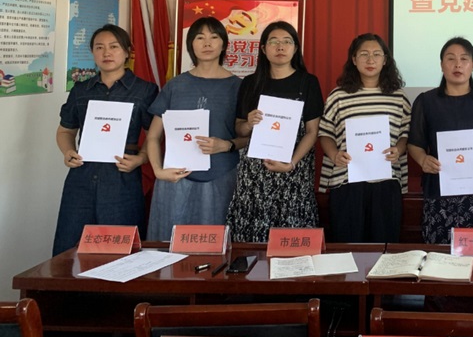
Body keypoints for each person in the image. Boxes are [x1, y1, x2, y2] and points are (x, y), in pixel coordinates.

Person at [52, 25, 158, 255]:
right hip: (82, 177)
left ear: (127, 52)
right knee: (70, 247)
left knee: (121, 249)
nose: (106, 53)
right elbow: (65, 131)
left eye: (114, 47)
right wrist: (68, 151)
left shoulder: (145, 90)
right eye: (99, 47)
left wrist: (141, 159)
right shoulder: (81, 90)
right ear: (92, 53)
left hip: (122, 178)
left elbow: (155, 135)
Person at [146, 17, 243, 241]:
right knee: (170, 247)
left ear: (224, 44)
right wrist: (158, 171)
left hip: (221, 178)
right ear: (191, 44)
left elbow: (248, 137)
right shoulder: (175, 85)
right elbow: (153, 136)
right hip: (175, 179)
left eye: (214, 37)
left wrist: (226, 145)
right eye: (200, 37)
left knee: (215, 246)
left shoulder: (238, 87)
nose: (207, 43)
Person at [227, 21, 323, 242]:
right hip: (256, 173)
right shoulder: (251, 83)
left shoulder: (308, 82)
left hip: (294, 170)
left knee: (292, 235)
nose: (280, 47)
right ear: (263, 48)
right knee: (252, 236)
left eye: (287, 42)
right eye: (274, 42)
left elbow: (312, 131)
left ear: (295, 48)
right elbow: (239, 129)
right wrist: (249, 123)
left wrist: (291, 163)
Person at [408, 37, 473, 244]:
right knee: (440, 258)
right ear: (441, 64)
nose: (458, 64)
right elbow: (415, 143)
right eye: (451, 59)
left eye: (464, 59)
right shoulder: (426, 101)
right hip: (440, 192)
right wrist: (423, 159)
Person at [318, 33, 410, 243]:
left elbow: (406, 134)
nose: (370, 60)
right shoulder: (338, 96)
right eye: (364, 54)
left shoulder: (398, 97)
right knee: (348, 247)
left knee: (384, 247)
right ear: (353, 59)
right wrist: (334, 154)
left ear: (385, 60)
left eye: (377, 54)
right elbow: (325, 133)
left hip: (386, 180)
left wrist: (399, 149)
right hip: (347, 180)